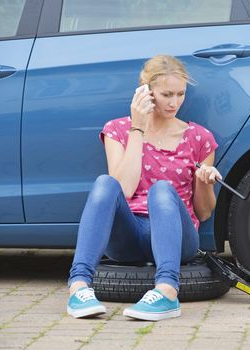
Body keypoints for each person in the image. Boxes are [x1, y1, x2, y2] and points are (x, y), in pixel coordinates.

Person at [66, 55, 220, 321]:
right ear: (146, 92)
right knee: (105, 183)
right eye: (166, 94)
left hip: (176, 235)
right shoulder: (117, 129)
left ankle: (167, 292)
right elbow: (123, 189)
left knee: (161, 189)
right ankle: (78, 287)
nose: (174, 103)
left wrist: (204, 183)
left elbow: (203, 213)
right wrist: (137, 127)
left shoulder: (199, 137)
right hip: (129, 235)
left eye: (181, 94)